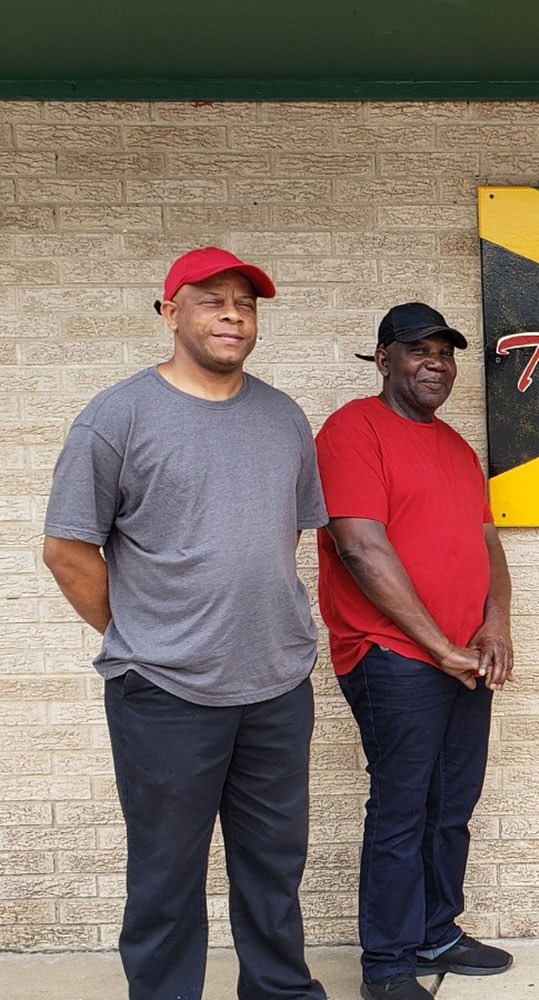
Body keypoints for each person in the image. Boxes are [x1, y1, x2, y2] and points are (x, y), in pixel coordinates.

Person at [41, 248, 328, 1000]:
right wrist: (145, 635)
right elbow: (68, 551)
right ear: (170, 312)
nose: (233, 314)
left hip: (275, 685)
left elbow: (280, 537)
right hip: (164, 692)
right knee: (167, 877)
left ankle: (280, 992)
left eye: (246, 303)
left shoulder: (283, 416)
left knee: (273, 867)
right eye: (212, 300)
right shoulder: (117, 417)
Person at [315, 302, 515, 1000]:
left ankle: (437, 929)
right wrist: (439, 647)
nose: (436, 363)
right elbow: (360, 548)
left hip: (464, 658)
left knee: (451, 802)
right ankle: (389, 963)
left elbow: (487, 543)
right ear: (383, 359)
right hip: (392, 655)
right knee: (402, 807)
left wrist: (494, 625)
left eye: (446, 352)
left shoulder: (457, 449)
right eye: (417, 350)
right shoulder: (352, 431)